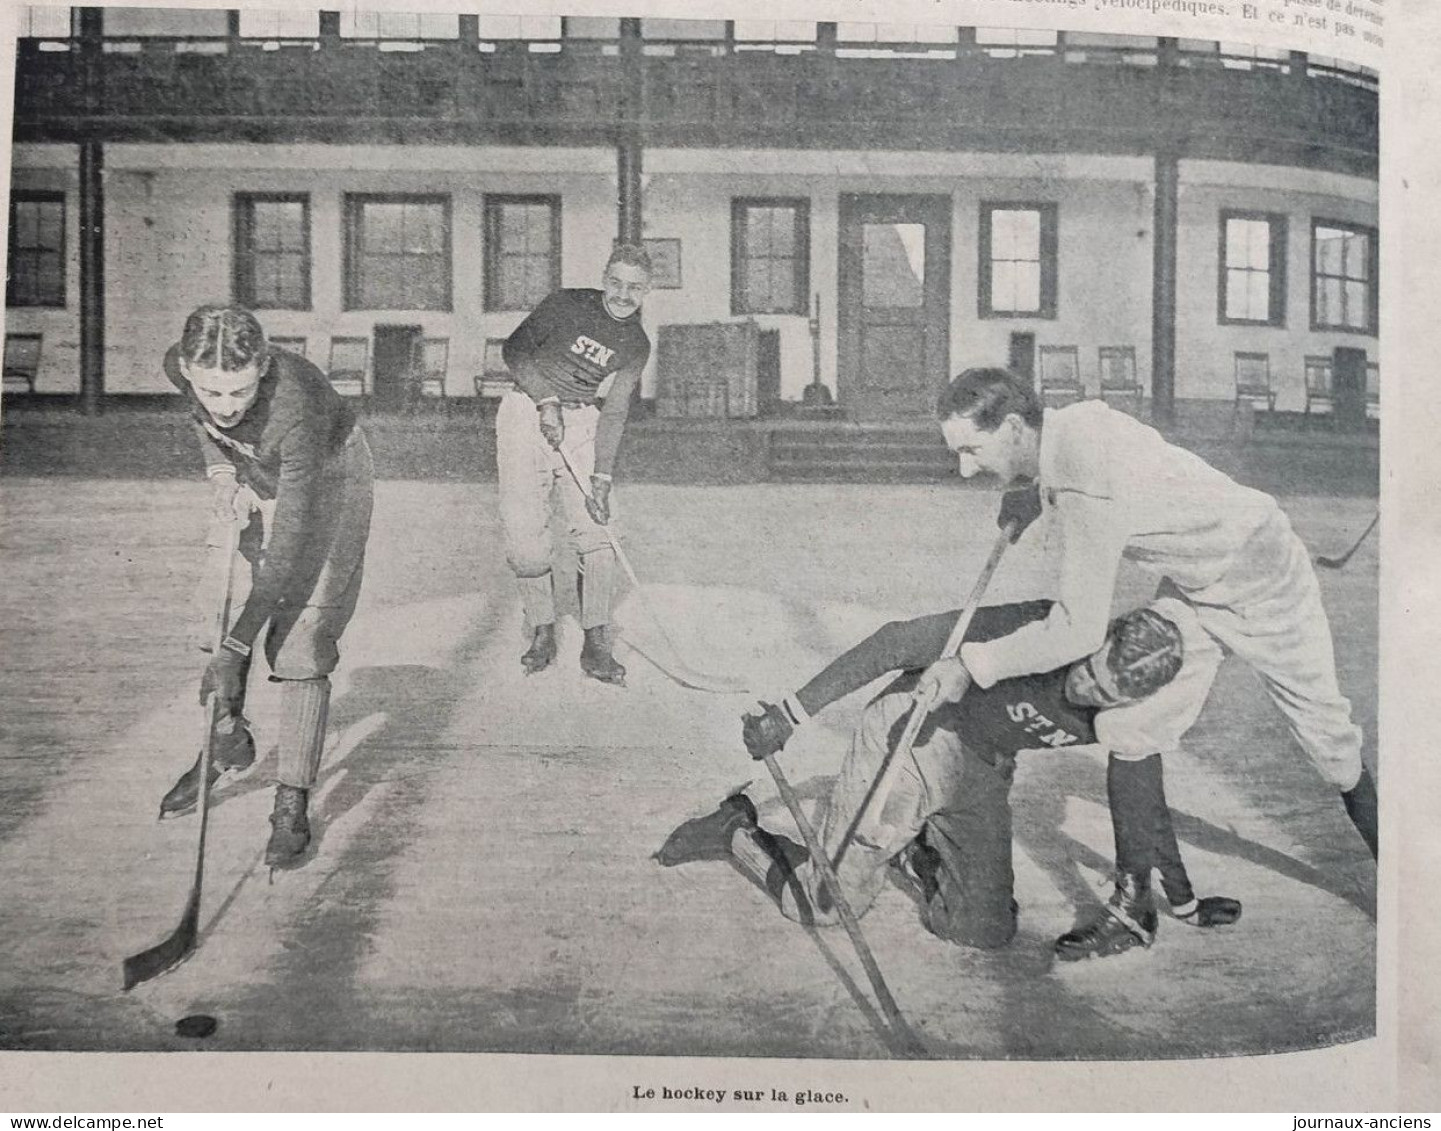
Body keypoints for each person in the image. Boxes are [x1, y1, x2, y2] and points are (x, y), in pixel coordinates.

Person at [921, 367, 1377, 956]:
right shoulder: (1072, 420)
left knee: (1333, 748)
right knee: (1129, 724)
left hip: (1266, 579)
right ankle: (1136, 908)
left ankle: (1407, 892)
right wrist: (1036, 490)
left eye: (971, 449)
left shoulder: (1085, 481)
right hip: (1196, 588)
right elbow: (1106, 472)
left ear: (1012, 426)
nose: (964, 467)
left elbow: (1073, 629)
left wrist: (969, 665)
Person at [657, 598, 1240, 955]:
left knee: (982, 930)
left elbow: (1144, 804)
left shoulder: (1136, 719)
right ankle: (735, 828)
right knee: (827, 907)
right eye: (1090, 671)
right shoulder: (1049, 626)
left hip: (981, 770)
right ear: (1098, 637)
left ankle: (910, 846)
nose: (1083, 691)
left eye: (1105, 697)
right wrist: (790, 711)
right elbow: (898, 640)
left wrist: (1183, 903)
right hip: (916, 734)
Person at [158, 305, 374, 869]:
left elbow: (287, 552)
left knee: (301, 641)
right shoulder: (181, 372)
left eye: (240, 393)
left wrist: (240, 646)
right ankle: (227, 741)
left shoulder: (295, 408)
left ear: (264, 364)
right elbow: (206, 426)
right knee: (214, 618)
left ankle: (292, 795)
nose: (225, 408)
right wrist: (223, 473)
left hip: (329, 478)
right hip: (256, 468)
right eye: (212, 392)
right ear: (186, 368)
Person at [497, 243, 653, 685]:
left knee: (600, 529)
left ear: (646, 291)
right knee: (524, 534)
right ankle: (543, 629)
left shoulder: (636, 343)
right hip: (525, 411)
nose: (624, 295)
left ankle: (596, 638)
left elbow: (617, 409)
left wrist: (602, 475)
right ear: (605, 278)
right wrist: (546, 400)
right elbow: (515, 350)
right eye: (617, 283)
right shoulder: (565, 303)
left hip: (582, 418)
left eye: (635, 288)